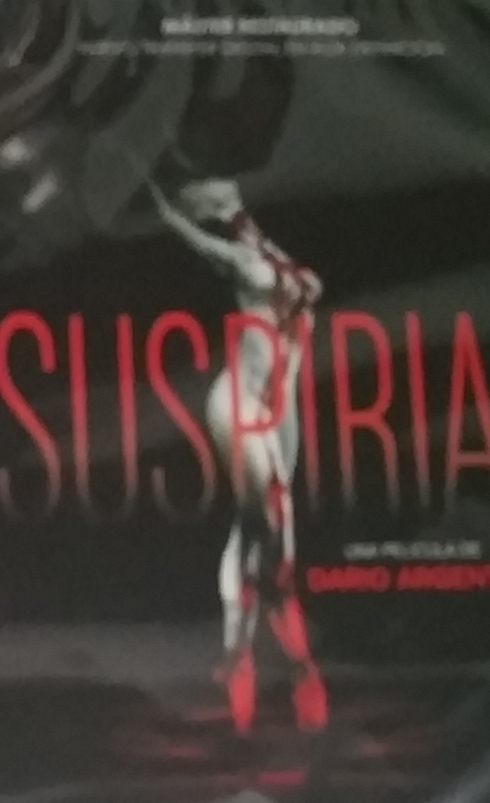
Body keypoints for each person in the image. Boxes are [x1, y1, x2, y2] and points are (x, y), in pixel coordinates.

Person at [151, 178, 326, 737]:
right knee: (264, 520)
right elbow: (200, 242)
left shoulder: (274, 259)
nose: (239, 217)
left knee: (273, 541)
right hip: (239, 404)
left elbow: (269, 260)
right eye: (225, 208)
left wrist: (233, 217)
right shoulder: (245, 264)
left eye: (236, 205)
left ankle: (251, 657)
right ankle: (259, 662)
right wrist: (163, 207)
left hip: (277, 411)